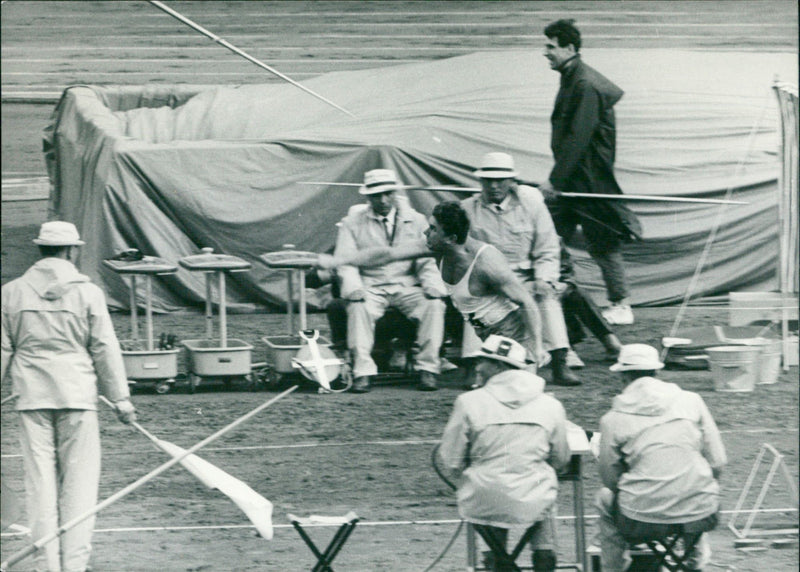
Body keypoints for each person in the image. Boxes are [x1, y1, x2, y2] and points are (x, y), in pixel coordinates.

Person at [1, 221, 137, 572]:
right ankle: (74, 565)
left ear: (40, 250)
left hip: (31, 398)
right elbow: (105, 347)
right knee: (78, 486)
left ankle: (47, 565)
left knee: (40, 486)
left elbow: (2, 349)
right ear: (71, 251)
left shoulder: (11, 292)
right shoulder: (88, 293)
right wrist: (121, 399)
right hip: (77, 396)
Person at [319, 200, 549, 371]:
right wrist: (339, 260)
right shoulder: (434, 246)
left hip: (513, 334)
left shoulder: (487, 263)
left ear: (450, 238)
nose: (425, 232)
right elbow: (388, 254)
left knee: (512, 395)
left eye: (433, 229)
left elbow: (527, 302)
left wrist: (537, 346)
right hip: (486, 333)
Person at [436, 334, 570, 572]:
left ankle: (495, 558)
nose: (477, 367)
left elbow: (451, 459)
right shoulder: (551, 405)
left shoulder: (468, 402)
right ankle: (545, 554)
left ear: (498, 366)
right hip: (535, 496)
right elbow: (561, 459)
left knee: (488, 499)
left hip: (484, 497)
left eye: (482, 361)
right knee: (545, 498)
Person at [539, 19, 642, 326]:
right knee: (548, 235)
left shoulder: (585, 84)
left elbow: (578, 138)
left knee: (602, 242)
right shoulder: (572, 78)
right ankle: (550, 293)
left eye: (550, 47)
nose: (545, 53)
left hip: (590, 181)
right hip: (574, 178)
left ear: (569, 48)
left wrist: (555, 181)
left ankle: (621, 304)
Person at [595, 344, 727, 571]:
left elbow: (610, 479)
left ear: (623, 376)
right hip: (701, 512)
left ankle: (614, 568)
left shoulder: (612, 418)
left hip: (639, 518)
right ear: (656, 372)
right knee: (697, 485)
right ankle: (694, 563)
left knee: (604, 498)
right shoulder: (692, 400)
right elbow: (717, 461)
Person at [462, 152, 580, 386]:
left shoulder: (533, 204)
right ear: (480, 182)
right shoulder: (466, 209)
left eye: (501, 180)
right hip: (488, 281)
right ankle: (473, 365)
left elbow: (547, 248)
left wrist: (544, 279)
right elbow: (461, 254)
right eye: (488, 180)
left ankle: (559, 361)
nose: (494, 186)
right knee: (472, 303)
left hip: (526, 278)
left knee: (547, 297)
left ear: (512, 181)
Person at [334, 168, 447, 393]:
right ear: (368, 197)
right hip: (370, 285)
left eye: (388, 193)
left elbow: (426, 258)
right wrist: (354, 289)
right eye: (376, 195)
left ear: (395, 193)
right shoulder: (352, 222)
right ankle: (362, 371)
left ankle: (428, 368)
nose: (383, 200)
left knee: (434, 305)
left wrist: (432, 285)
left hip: (405, 284)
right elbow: (345, 261)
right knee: (358, 308)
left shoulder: (416, 220)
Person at [557, 238, 622, 362]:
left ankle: (610, 342)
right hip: (523, 291)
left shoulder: (551, 238)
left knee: (576, 294)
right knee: (549, 298)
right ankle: (566, 349)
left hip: (551, 284)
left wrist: (564, 284)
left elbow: (565, 268)